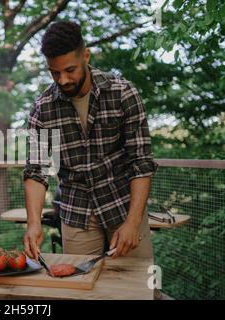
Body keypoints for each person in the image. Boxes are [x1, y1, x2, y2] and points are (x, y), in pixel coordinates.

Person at [23, 21, 157, 261]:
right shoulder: (42, 109)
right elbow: (36, 171)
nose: (62, 80)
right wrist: (33, 223)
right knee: (79, 288)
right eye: (55, 72)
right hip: (76, 212)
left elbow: (141, 163)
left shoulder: (123, 93)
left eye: (70, 70)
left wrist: (133, 222)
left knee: (134, 287)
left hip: (123, 206)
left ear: (85, 56)